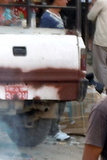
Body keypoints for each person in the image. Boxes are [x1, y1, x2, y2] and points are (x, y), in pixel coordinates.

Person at [40, 0, 72, 141]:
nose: (67, 1)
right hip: (52, 62)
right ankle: (53, 129)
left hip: (59, 60)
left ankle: (54, 128)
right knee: (56, 95)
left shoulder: (57, 16)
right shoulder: (47, 18)